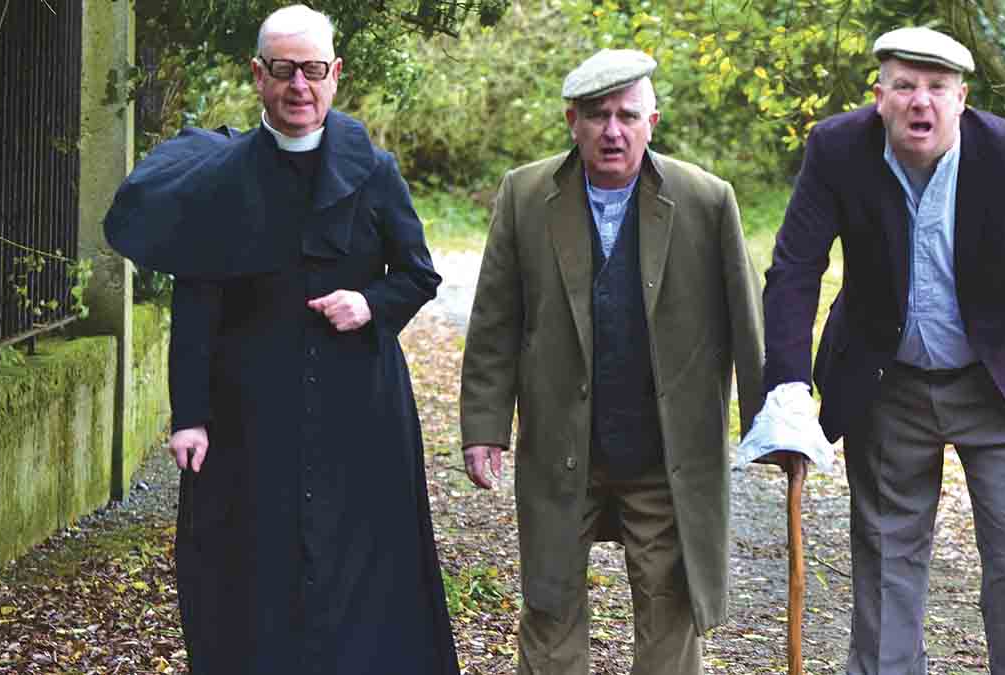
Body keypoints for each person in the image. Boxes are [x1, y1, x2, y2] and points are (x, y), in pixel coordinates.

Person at [103, 5, 459, 674]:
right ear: (258, 74)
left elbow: (419, 274)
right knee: (251, 570)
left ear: (336, 74)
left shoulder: (374, 171)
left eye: (314, 70)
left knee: (363, 575)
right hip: (250, 414)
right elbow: (197, 300)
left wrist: (370, 302)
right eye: (285, 70)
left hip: (360, 411)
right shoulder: (219, 177)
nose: (300, 86)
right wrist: (190, 416)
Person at [759, 26, 1005, 674]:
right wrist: (787, 390)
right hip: (886, 381)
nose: (920, 101)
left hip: (998, 382)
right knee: (885, 562)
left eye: (936, 87)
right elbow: (794, 268)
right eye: (904, 86)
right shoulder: (837, 149)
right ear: (880, 97)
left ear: (962, 99)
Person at [458, 49, 764, 675]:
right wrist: (484, 427)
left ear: (654, 121)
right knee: (549, 605)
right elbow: (495, 321)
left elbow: (747, 322)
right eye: (597, 115)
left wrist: (771, 425)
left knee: (670, 607)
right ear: (572, 122)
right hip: (560, 445)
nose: (613, 131)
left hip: (664, 453)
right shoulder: (525, 195)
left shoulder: (706, 200)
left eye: (627, 115)